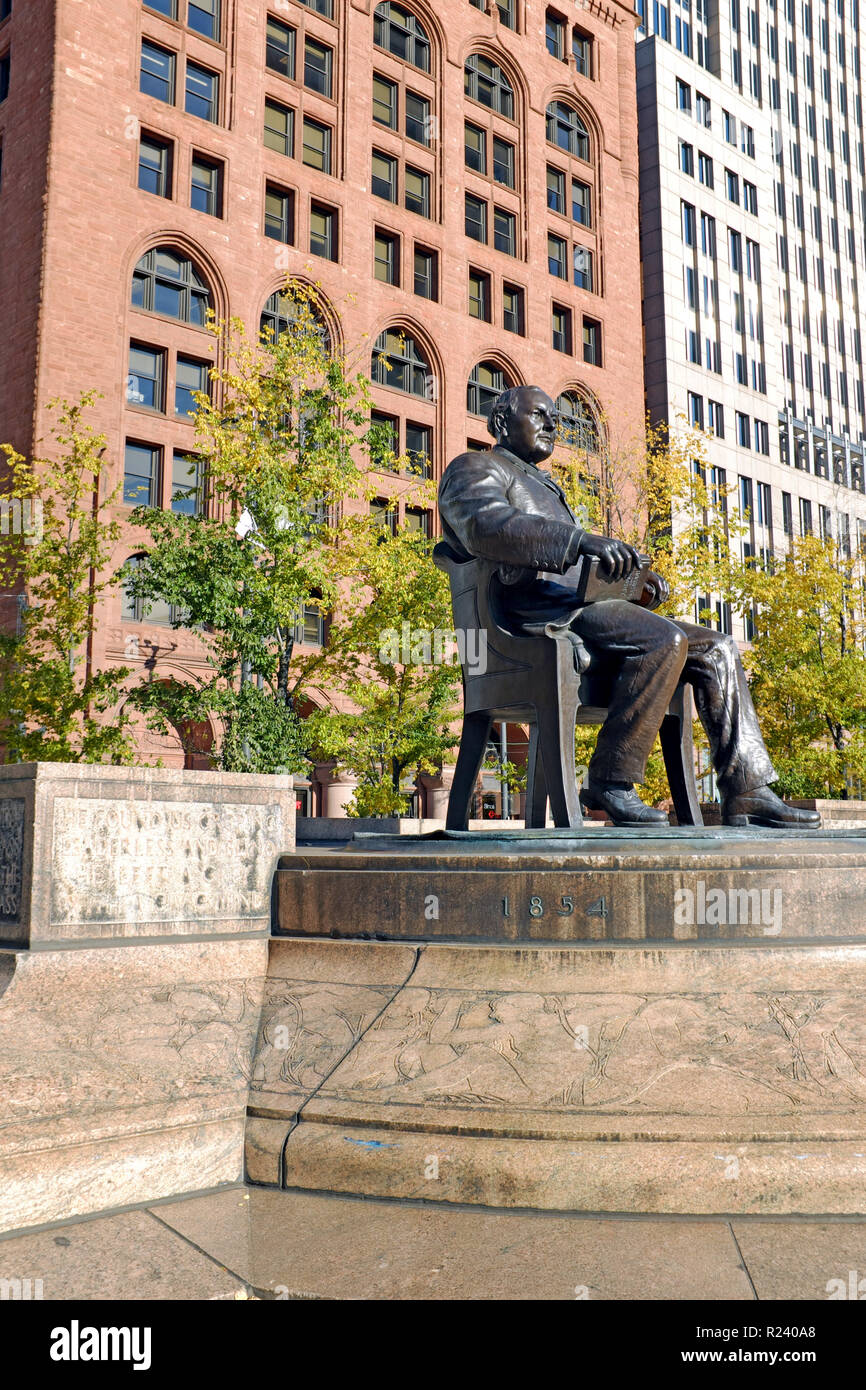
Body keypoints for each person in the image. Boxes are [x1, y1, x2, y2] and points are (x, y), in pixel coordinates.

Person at [437, 385, 820, 829]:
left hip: (579, 612)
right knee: (662, 638)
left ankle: (748, 789)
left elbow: (576, 570)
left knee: (716, 647)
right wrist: (580, 540)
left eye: (555, 419)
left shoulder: (544, 485)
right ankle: (610, 780)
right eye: (539, 414)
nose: (551, 424)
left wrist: (632, 584)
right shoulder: (474, 468)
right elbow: (489, 527)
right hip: (533, 620)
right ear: (502, 421)